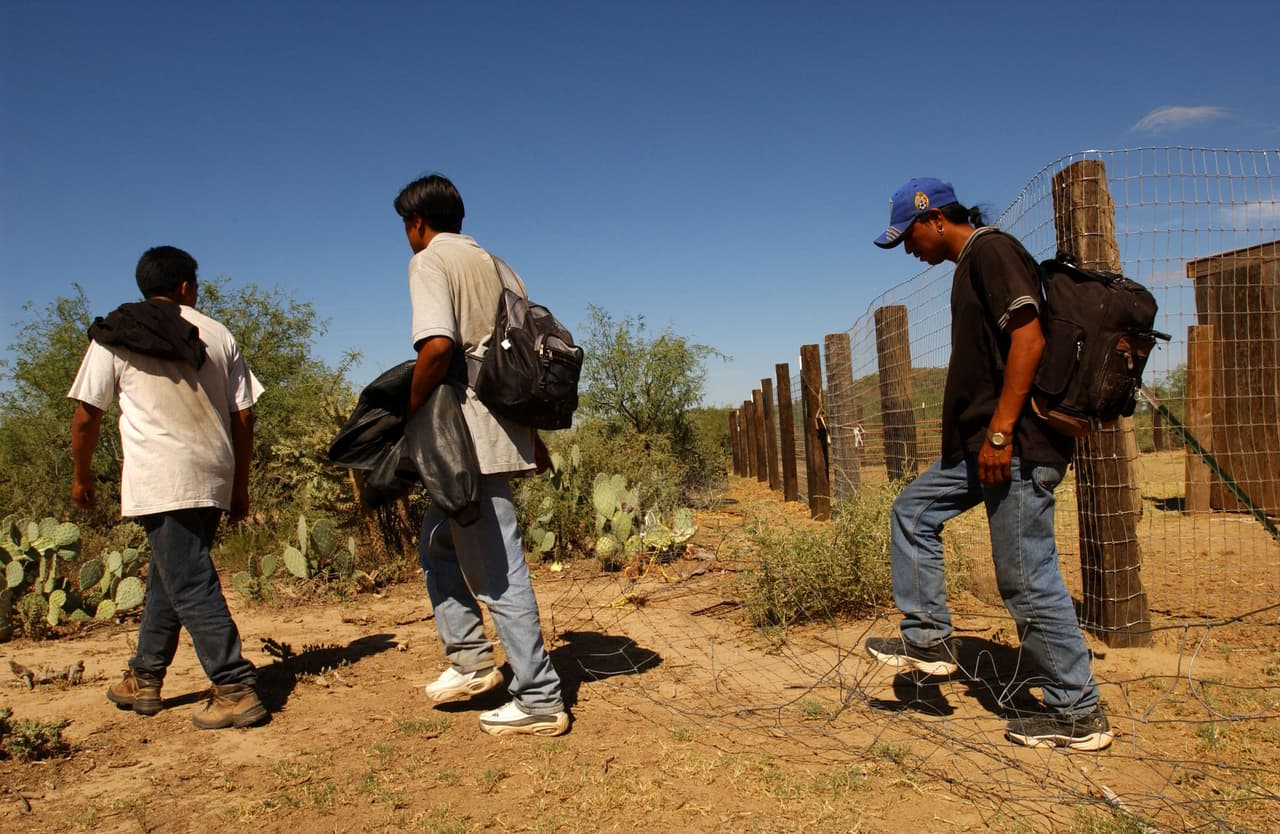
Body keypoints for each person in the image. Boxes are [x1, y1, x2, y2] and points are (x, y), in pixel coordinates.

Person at [864, 178, 1112, 752]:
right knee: (913, 510)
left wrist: (1000, 432)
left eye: (908, 237)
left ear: (936, 219)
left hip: (1016, 446)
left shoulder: (992, 252)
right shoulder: (967, 265)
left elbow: (1029, 341)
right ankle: (927, 640)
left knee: (1025, 579)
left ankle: (1079, 711)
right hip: (985, 450)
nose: (908, 250)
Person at [394, 173, 568, 737]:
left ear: (418, 223)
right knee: (438, 547)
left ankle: (540, 698)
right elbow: (514, 360)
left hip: (465, 440)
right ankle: (470, 660)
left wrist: (409, 413)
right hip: (501, 432)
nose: (407, 236)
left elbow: (440, 346)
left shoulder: (429, 262)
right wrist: (533, 441)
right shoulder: (500, 266)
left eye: (406, 226)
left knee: (499, 571)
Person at [68, 245, 268, 730]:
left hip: (160, 477)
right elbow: (244, 416)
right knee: (170, 575)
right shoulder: (217, 334)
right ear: (185, 288)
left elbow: (86, 413)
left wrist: (81, 474)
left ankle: (235, 686)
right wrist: (239, 483)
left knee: (189, 579)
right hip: (213, 473)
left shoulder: (115, 333)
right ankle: (144, 676)